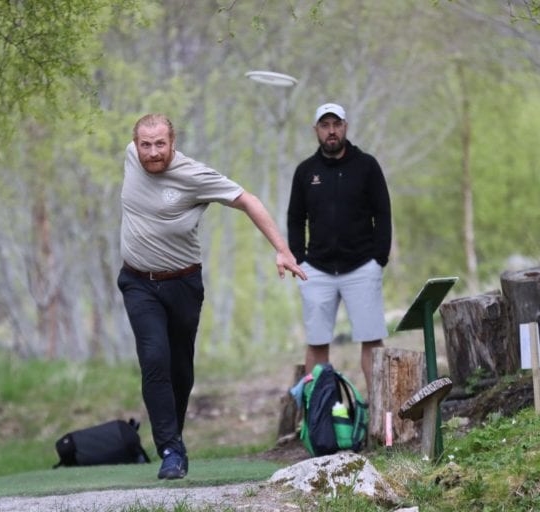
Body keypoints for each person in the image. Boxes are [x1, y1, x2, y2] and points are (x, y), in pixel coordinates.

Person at [118, 114, 307, 480]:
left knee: (180, 368)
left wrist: (282, 249)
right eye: (145, 144)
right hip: (138, 282)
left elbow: (247, 200)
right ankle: (171, 449)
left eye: (160, 144)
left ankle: (174, 432)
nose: (153, 152)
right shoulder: (131, 157)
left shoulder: (194, 176)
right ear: (135, 144)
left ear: (173, 142)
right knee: (154, 357)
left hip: (183, 283)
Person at [287, 102, 392, 399]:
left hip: (361, 267)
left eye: (336, 124)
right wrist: (300, 260)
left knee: (372, 342)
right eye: (325, 125)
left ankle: (380, 417)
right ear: (316, 131)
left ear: (345, 126)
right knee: (317, 344)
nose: (331, 131)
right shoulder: (305, 172)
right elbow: (295, 219)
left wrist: (378, 258)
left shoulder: (367, 166)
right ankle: (318, 419)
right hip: (316, 270)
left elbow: (382, 213)